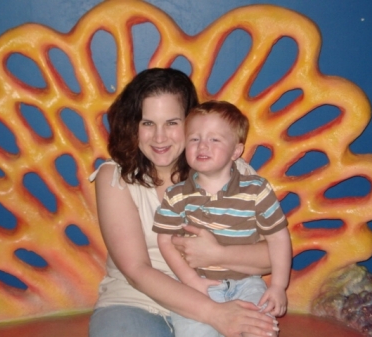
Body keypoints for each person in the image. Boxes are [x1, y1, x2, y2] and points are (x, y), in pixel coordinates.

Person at [88, 68, 279, 337]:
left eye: (172, 122)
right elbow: (136, 271)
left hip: (226, 292)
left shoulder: (231, 169)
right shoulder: (115, 177)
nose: (160, 137)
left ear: (191, 121)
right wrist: (215, 314)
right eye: (148, 123)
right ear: (132, 126)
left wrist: (219, 255)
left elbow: (273, 255)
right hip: (137, 301)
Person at [153, 100, 292, 337]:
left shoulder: (257, 190)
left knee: (261, 331)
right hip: (198, 285)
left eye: (214, 139)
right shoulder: (176, 196)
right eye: (194, 139)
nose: (202, 146)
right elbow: (165, 241)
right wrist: (190, 280)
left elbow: (279, 238)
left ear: (236, 151)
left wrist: (279, 286)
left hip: (248, 283)